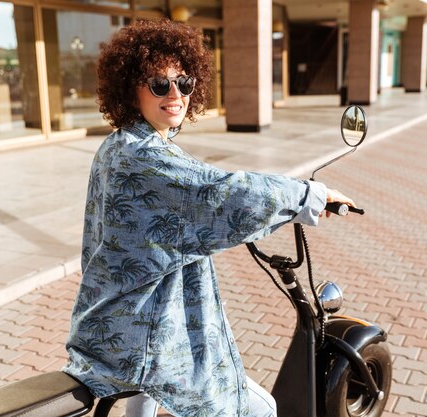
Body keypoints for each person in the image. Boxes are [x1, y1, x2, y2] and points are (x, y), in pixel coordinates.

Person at [63, 19, 356, 417]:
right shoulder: (143, 156)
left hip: (114, 321)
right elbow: (219, 193)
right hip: (145, 336)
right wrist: (309, 195)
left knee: (146, 400)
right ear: (130, 87)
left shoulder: (120, 146)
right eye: (159, 83)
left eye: (183, 83)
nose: (175, 94)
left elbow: (195, 191)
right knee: (259, 409)